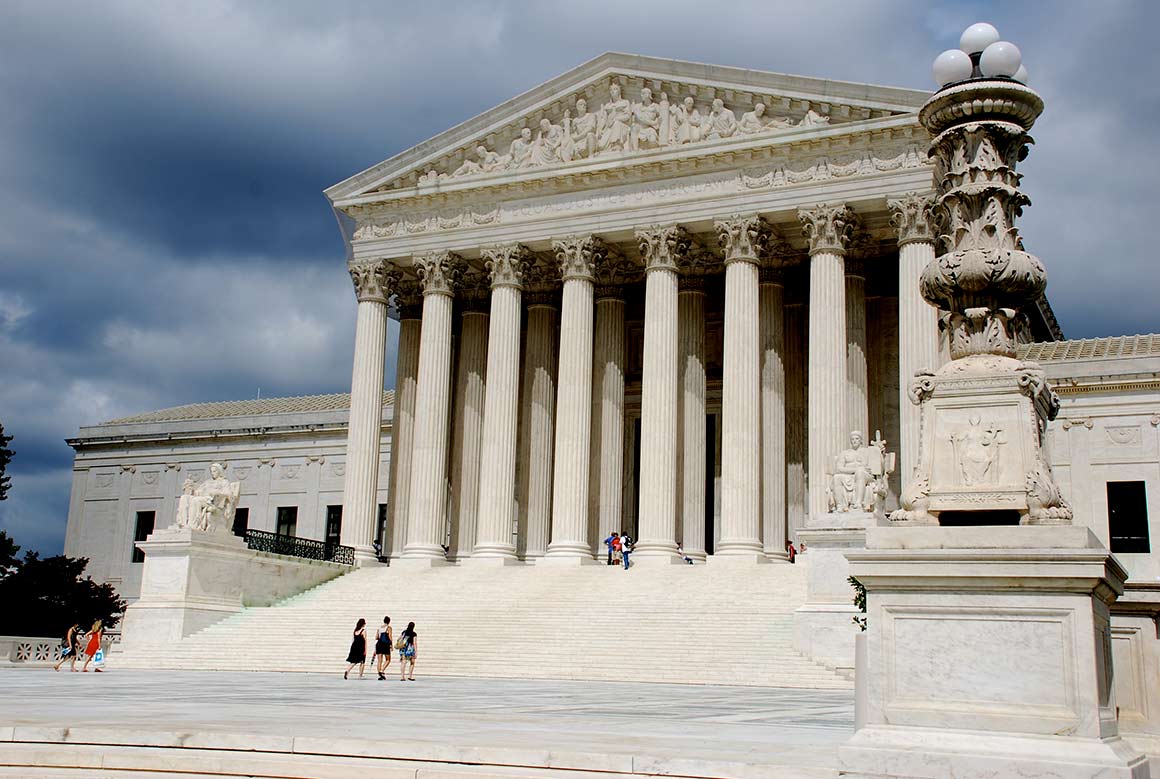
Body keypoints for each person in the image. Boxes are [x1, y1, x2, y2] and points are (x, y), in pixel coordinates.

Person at [373, 616, 393, 681]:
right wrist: (391, 645)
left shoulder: (379, 628)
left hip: (379, 644)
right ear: (389, 621)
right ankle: (382, 670)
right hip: (385, 644)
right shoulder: (389, 628)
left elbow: (376, 637)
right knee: (388, 659)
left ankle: (380, 675)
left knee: (379, 661)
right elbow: (390, 637)